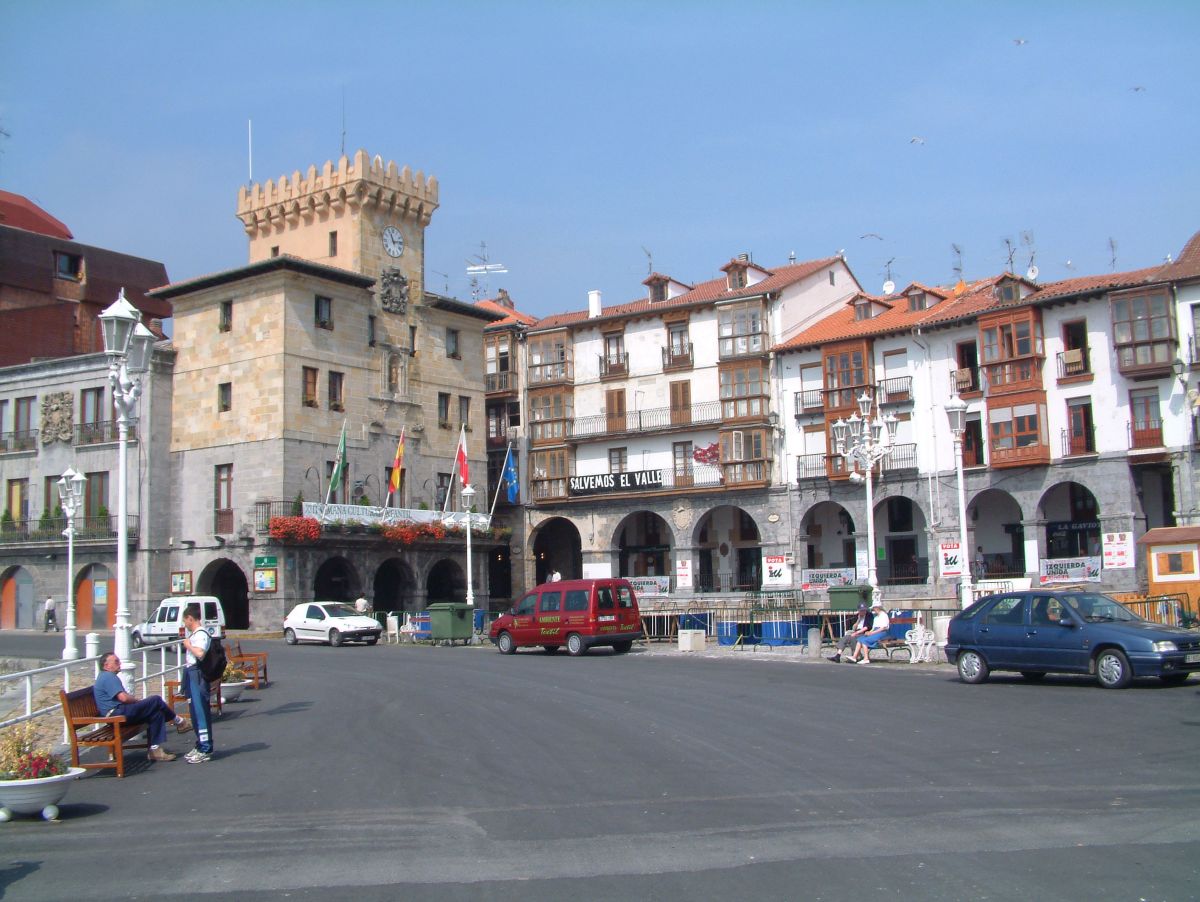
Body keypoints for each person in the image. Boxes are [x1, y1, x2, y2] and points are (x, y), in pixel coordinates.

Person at [93, 652, 189, 762]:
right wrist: (137, 701)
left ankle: (155, 750)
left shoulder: (105, 676)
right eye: (116, 661)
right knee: (156, 700)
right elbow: (123, 698)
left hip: (119, 712)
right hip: (116, 714)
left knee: (156, 713)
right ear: (106, 666)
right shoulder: (108, 676)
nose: (119, 663)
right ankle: (180, 722)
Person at [180, 603, 214, 763]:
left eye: (185, 620)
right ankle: (200, 743)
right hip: (191, 673)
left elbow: (200, 653)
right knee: (194, 711)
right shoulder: (195, 634)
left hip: (197, 674)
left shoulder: (201, 634)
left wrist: (188, 645)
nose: (184, 624)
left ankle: (206, 747)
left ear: (190, 618)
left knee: (200, 711)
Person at [844, 600, 891, 664]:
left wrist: (872, 633)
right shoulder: (876, 617)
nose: (873, 610)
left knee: (865, 640)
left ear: (877, 608)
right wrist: (869, 632)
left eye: (874, 608)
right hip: (876, 632)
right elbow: (874, 628)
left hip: (882, 633)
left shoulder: (884, 615)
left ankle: (866, 658)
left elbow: (883, 628)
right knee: (860, 639)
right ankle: (854, 657)